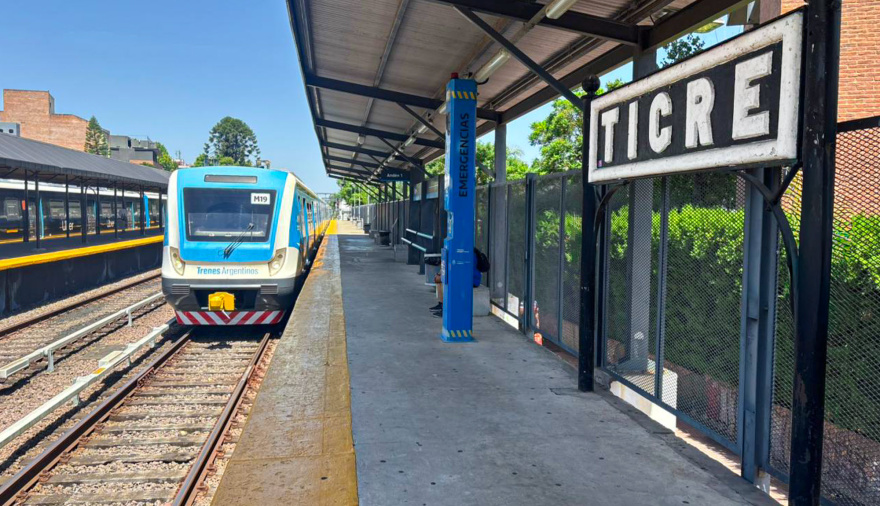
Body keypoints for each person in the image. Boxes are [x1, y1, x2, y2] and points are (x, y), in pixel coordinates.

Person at [430, 248, 489, 316]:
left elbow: (460, 271)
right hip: (468, 279)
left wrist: (442, 277)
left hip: (472, 281)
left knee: (446, 282)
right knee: (441, 280)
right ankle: (442, 305)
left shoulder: (468, 255)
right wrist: (441, 275)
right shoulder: (469, 253)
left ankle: (446, 309)